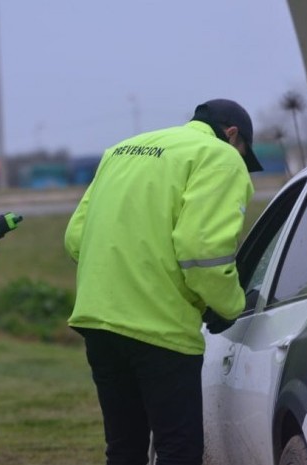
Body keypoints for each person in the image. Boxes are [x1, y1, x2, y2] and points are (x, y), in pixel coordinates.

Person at [65, 99, 263, 465]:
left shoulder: (121, 151)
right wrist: (229, 304)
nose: (243, 166)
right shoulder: (219, 156)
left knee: (124, 448)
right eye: (245, 156)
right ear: (232, 134)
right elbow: (201, 249)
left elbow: (76, 238)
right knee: (178, 450)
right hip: (161, 328)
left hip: (98, 321)